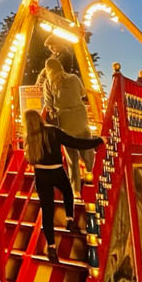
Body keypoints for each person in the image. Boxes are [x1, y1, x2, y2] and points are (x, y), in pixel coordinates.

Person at [24, 111, 103, 263]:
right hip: (56, 171)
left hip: (41, 174)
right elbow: (75, 142)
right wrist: (97, 141)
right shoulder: (52, 132)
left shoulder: (30, 138)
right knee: (68, 191)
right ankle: (69, 220)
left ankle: (52, 247)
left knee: (47, 211)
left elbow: (30, 160)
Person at [42, 57, 96, 194]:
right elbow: (82, 93)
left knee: (72, 160)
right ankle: (95, 182)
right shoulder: (73, 78)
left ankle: (76, 191)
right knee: (88, 154)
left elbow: (49, 105)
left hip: (65, 123)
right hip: (81, 118)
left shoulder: (48, 83)